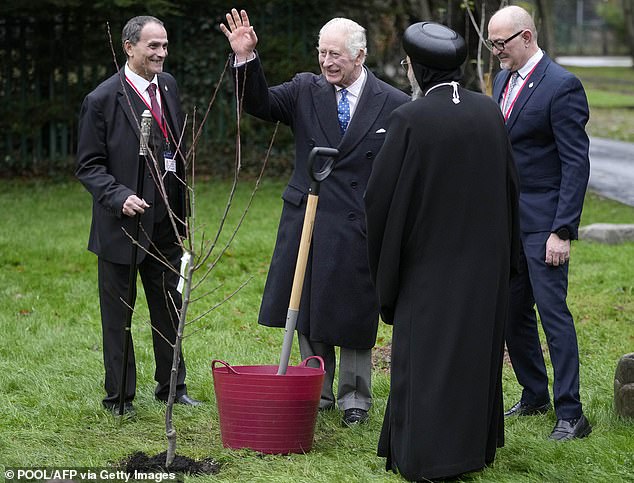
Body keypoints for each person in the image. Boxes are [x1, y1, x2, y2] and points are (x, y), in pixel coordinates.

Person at [220, 8, 409, 426]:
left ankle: (355, 398)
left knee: (357, 308)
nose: (327, 62)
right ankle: (316, 388)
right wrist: (245, 59)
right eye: (322, 53)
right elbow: (260, 103)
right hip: (308, 214)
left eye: (336, 55)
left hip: (359, 223)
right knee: (307, 304)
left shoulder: (394, 104)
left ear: (360, 55)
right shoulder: (306, 90)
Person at [365, 22, 519, 481]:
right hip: (484, 264)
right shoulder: (489, 111)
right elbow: (511, 187)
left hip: (429, 266)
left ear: (415, 68)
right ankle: (473, 450)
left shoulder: (410, 119)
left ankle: (427, 457)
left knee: (427, 360)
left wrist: (385, 270)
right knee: (475, 354)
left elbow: (380, 200)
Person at [76, 15, 200, 414]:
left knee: (169, 307)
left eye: (165, 45)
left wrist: (180, 210)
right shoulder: (101, 100)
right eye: (153, 46)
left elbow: (174, 151)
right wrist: (119, 196)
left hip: (166, 221)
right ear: (129, 47)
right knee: (119, 316)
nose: (162, 53)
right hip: (123, 225)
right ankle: (119, 399)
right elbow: (89, 166)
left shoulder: (169, 86)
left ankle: (172, 387)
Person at [488, 5, 591, 441]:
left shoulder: (562, 86)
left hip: (545, 225)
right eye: (491, 44)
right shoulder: (501, 80)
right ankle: (535, 394)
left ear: (526, 37)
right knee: (513, 314)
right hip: (507, 226)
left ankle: (572, 414)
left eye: (501, 44)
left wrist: (562, 229)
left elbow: (575, 163)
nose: (495, 53)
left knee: (553, 317)